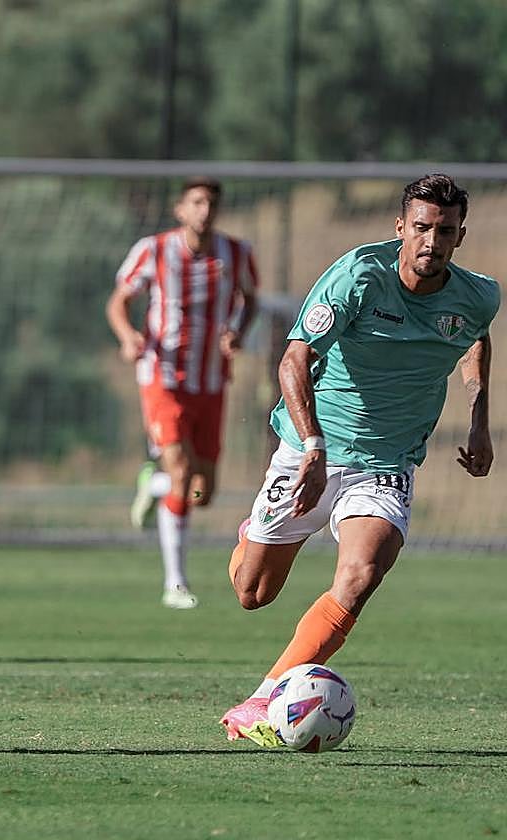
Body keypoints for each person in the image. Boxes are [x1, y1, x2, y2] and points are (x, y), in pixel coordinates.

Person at [220, 173, 497, 746]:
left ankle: (264, 697)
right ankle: (253, 532)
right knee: (253, 593)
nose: (431, 241)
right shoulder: (359, 277)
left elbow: (474, 334)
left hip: (387, 462)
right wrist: (314, 446)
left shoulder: (479, 295)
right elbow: (294, 360)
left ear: (459, 236)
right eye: (421, 227)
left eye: (444, 231)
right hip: (310, 450)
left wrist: (478, 415)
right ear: (401, 228)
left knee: (361, 573)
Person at [107, 177, 259, 608]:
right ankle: (175, 584)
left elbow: (251, 299)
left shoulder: (236, 254)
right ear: (180, 209)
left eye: (210, 203)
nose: (204, 210)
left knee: (202, 491)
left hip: (211, 381)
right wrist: (128, 337)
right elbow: (119, 301)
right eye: (196, 202)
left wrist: (237, 331)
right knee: (181, 470)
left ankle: (153, 485)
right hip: (162, 375)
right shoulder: (153, 250)